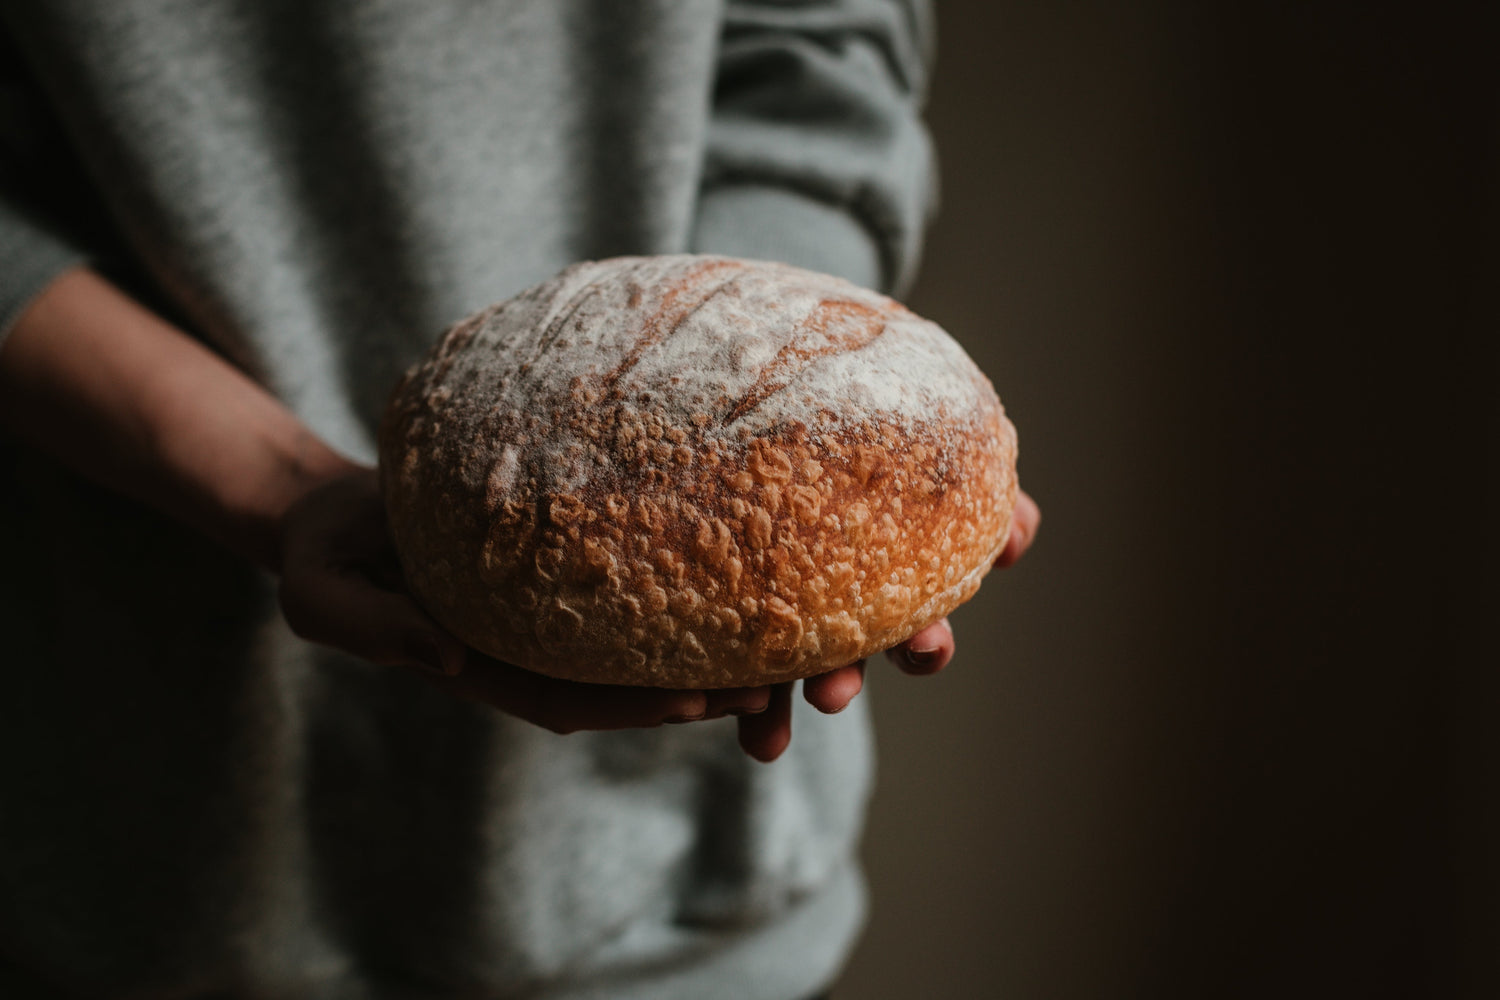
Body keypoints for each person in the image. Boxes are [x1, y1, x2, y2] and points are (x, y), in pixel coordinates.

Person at [0, 2, 1039, 997]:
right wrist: (276, 482)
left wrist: (781, 384)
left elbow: (810, 49)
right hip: (152, 831)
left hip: (692, 913)